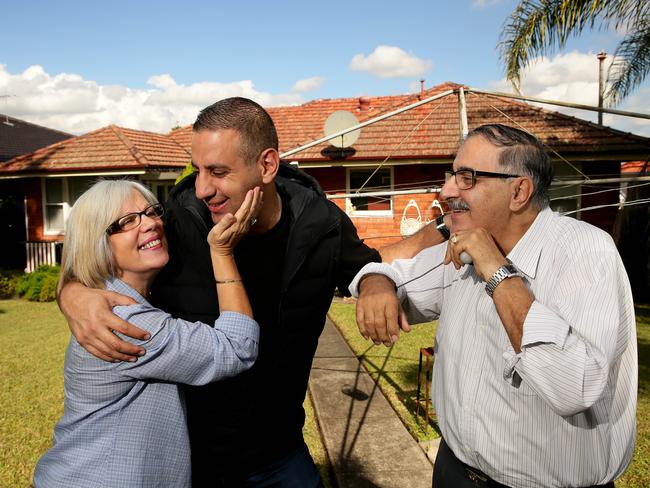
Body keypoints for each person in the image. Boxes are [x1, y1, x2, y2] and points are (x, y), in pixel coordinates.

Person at [58, 97, 436, 486]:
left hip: (280, 448)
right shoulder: (178, 223)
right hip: (196, 457)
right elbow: (105, 254)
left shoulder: (320, 222)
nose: (203, 188)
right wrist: (72, 294)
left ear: (267, 165)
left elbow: (365, 264)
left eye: (218, 172)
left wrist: (376, 283)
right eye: (198, 170)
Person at [350, 124, 637, 488]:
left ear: (519, 191)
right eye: (451, 175)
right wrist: (376, 282)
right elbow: (392, 279)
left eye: (467, 178)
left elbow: (572, 387)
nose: (445, 191)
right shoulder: (461, 249)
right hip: (454, 472)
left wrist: (496, 270)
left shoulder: (584, 250)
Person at [35, 180, 261, 487]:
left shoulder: (119, 299)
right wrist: (222, 252)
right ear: (96, 243)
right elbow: (236, 348)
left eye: (151, 212)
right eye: (127, 221)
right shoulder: (125, 321)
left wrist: (69, 291)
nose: (151, 224)